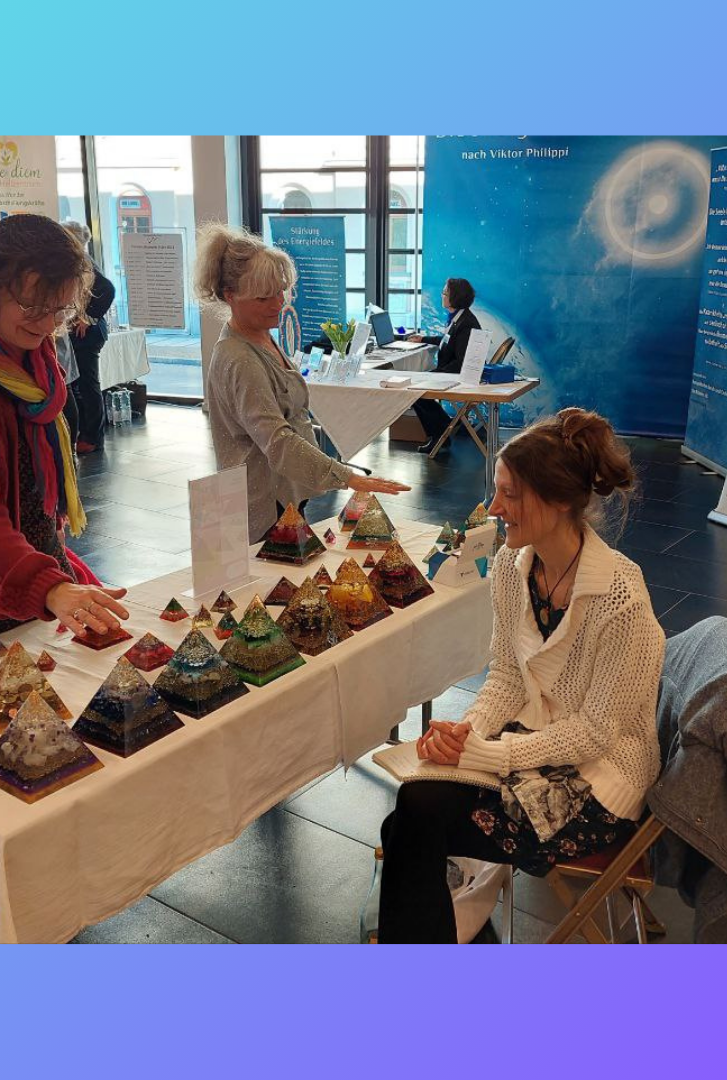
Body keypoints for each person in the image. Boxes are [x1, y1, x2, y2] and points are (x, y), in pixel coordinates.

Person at [377, 408, 665, 943]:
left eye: (509, 494)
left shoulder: (620, 597)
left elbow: (596, 733)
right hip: (536, 745)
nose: (493, 508)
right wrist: (468, 731)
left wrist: (487, 754)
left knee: (412, 821)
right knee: (412, 816)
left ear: (558, 501)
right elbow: (508, 677)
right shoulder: (513, 569)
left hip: (600, 781)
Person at [0, 214, 129, 643]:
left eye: (59, 309)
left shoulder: (31, 355)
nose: (48, 323)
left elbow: (37, 488)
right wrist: (50, 588)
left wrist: (55, 575)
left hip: (35, 569)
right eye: (33, 307)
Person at [193, 223, 411, 543]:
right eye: (263, 297)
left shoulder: (262, 336)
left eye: (281, 291)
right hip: (263, 505)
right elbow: (278, 441)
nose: (278, 303)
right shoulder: (239, 358)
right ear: (231, 296)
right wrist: (348, 477)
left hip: (285, 494)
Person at [407, 278, 481, 454]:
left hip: (457, 375)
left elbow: (461, 362)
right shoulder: (459, 318)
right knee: (416, 389)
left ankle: (440, 433)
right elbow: (449, 341)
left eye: (445, 293)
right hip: (451, 371)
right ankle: (442, 430)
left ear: (455, 297)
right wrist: (424, 339)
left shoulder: (466, 324)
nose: (442, 296)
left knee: (416, 392)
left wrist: (437, 374)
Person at [62, 221, 116, 454]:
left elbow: (108, 289)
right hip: (81, 332)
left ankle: (93, 437)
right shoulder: (79, 260)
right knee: (79, 384)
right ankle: (87, 434)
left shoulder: (82, 261)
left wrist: (88, 317)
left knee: (86, 384)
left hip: (87, 333)